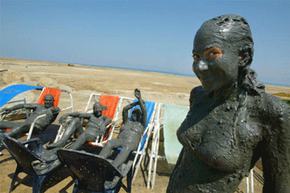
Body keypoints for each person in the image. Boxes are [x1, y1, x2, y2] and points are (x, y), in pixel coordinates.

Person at [167, 14, 290, 193]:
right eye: (195, 56)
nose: (199, 66)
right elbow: (186, 158)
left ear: (243, 57)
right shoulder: (199, 96)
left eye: (212, 53)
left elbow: (279, 187)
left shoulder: (271, 112)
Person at [99, 88, 147, 169]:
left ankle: (113, 167)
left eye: (137, 114)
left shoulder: (141, 124)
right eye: (134, 113)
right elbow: (125, 109)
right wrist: (134, 104)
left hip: (131, 144)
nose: (135, 115)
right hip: (120, 140)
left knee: (126, 148)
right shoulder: (127, 121)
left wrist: (140, 99)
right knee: (109, 142)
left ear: (140, 116)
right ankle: (99, 161)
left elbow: (145, 112)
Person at [46, 101, 112, 150]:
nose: (98, 110)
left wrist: (103, 124)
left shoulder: (103, 118)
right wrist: (68, 114)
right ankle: (61, 142)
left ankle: (70, 150)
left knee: (85, 134)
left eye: (99, 108)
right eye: (96, 109)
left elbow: (109, 119)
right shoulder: (91, 115)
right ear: (94, 110)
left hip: (94, 136)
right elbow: (79, 115)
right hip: (84, 134)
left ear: (102, 109)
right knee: (75, 120)